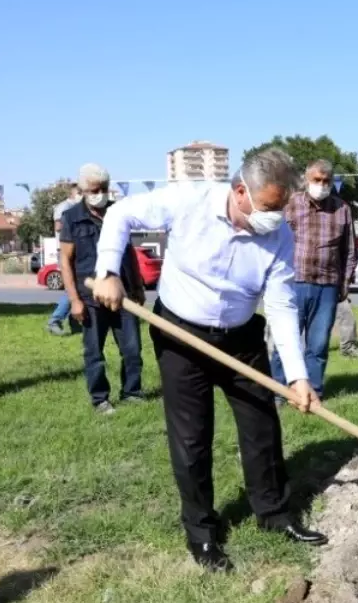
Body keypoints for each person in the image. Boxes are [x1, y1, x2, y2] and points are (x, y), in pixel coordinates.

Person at [91, 148, 326, 573]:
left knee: (261, 425)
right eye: (270, 207)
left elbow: (282, 306)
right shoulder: (189, 201)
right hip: (182, 334)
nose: (275, 217)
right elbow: (121, 213)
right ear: (240, 191)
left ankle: (272, 514)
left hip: (240, 337)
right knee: (192, 438)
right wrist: (108, 271)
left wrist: (297, 377)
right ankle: (201, 533)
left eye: (281, 208)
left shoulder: (278, 236)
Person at [59, 164, 145, 415]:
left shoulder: (118, 213)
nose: (101, 193)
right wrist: (74, 300)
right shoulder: (72, 217)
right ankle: (100, 399)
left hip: (124, 294)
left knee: (132, 350)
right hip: (90, 299)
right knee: (94, 353)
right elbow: (65, 260)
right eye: (95, 189)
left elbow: (129, 252)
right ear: (84, 190)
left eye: (104, 188)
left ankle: (132, 392)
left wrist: (138, 286)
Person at [269, 159, 356, 399]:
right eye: (317, 180)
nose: (322, 185)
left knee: (318, 346)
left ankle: (313, 392)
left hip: (327, 286)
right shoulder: (291, 204)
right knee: (285, 342)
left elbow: (349, 251)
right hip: (293, 283)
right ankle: (279, 392)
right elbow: (274, 241)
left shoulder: (342, 209)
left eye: (326, 181)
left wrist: (344, 284)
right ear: (307, 180)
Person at [47, 185, 82, 336]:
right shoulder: (64, 207)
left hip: (77, 251)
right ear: (76, 193)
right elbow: (58, 227)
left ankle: (74, 321)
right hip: (66, 251)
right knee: (72, 288)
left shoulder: (78, 208)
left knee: (78, 288)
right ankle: (55, 320)